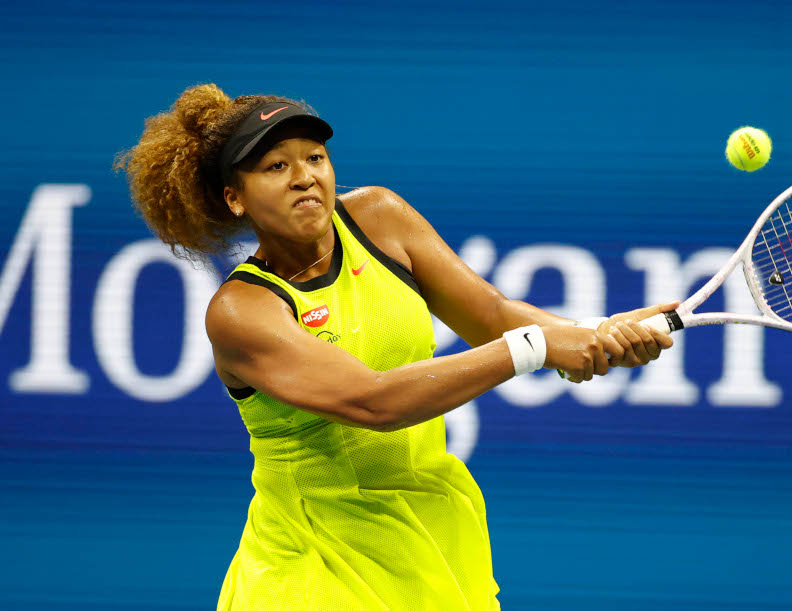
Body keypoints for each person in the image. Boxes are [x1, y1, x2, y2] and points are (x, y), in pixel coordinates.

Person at [115, 84, 678, 611]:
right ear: (235, 198)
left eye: (314, 157)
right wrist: (536, 346)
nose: (305, 177)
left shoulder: (379, 218)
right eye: (276, 166)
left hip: (431, 538)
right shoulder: (243, 311)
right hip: (311, 570)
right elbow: (372, 401)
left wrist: (594, 331)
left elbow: (490, 315)